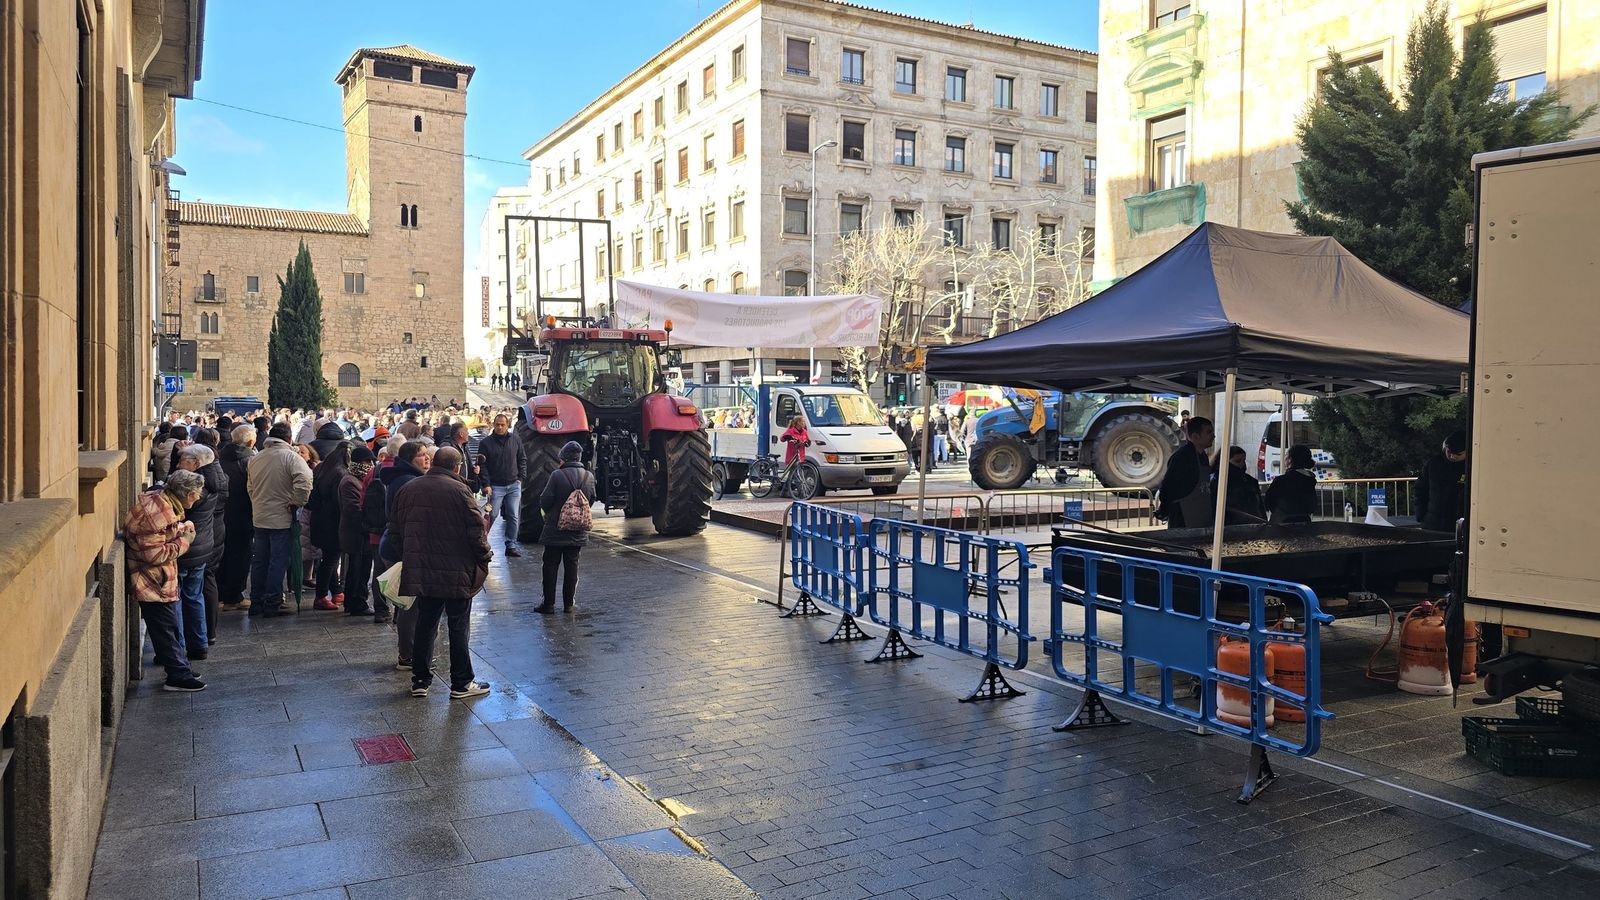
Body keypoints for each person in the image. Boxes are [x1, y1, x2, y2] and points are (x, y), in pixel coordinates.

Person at [388, 446, 492, 699]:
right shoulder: (460, 490)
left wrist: (407, 556)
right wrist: (485, 556)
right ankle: (461, 682)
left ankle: (420, 680)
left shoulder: (409, 489)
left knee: (426, 622)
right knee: (458, 625)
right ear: (457, 467)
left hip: (423, 569)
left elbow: (395, 529)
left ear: (434, 462)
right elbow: (476, 531)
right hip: (457, 570)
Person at [124, 469, 207, 691]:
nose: (198, 497)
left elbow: (161, 534)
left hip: (157, 578)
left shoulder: (164, 504)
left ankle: (177, 665)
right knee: (166, 627)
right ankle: (177, 675)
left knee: (166, 626)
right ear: (187, 493)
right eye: (196, 493)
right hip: (152, 580)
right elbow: (154, 554)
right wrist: (185, 542)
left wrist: (180, 529)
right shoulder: (156, 512)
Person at [247, 422, 314, 618]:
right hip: (282, 517)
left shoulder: (256, 457)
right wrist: (296, 502)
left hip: (260, 515)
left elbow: (250, 487)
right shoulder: (291, 457)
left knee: (259, 560)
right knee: (278, 560)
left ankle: (256, 600)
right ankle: (272, 600)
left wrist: (257, 502)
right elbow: (305, 481)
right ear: (289, 438)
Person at [379, 441, 432, 666]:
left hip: (395, 544)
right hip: (402, 547)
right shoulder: (409, 481)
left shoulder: (402, 477)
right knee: (410, 604)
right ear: (410, 459)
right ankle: (407, 654)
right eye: (421, 455)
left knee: (406, 603)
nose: (427, 458)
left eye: (427, 454)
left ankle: (408, 651)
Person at [172, 445, 223, 659]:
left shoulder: (194, 488)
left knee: (178, 599)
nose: (177, 464)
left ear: (195, 464)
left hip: (188, 547)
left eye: (182, 460)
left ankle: (179, 648)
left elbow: (177, 507)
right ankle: (200, 643)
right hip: (203, 545)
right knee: (194, 595)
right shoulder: (213, 480)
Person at [536, 441, 596, 613]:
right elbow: (591, 500)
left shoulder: (557, 475)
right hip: (577, 530)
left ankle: (548, 604)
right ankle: (569, 605)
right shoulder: (588, 476)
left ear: (563, 457)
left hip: (555, 528)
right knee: (572, 566)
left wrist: (551, 513)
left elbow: (545, 500)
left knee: (550, 565)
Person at [218, 424, 256, 611]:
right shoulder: (250, 460)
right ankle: (234, 596)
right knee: (241, 556)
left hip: (221, 514)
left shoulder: (219, 456)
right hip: (243, 514)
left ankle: (221, 595)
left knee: (222, 555)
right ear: (250, 441)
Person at [307, 440, 349, 610]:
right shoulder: (340, 473)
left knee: (329, 558)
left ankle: (336, 591)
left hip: (319, 520)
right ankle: (321, 596)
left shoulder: (322, 468)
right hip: (333, 523)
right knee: (330, 560)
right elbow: (339, 502)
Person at [337, 445, 378, 616]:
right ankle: (356, 603)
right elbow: (354, 509)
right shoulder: (350, 481)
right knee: (357, 569)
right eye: (367, 461)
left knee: (361, 568)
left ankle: (354, 601)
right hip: (356, 534)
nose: (370, 464)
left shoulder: (357, 479)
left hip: (360, 533)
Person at [479, 414, 527, 557]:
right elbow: (483, 466)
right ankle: (481, 542)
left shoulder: (515, 440)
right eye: (497, 424)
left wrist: (520, 478)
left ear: (508, 425)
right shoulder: (486, 443)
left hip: (513, 484)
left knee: (513, 515)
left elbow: (522, 459)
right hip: (495, 486)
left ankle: (511, 545)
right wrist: (486, 484)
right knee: (492, 515)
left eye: (503, 425)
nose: (500, 427)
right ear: (493, 425)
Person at [1157, 416, 1216, 528]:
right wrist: (1165, 509)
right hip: (1182, 516)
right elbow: (1167, 487)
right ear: (1195, 436)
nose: (1213, 435)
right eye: (1209, 432)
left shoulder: (1203, 456)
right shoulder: (1182, 457)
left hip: (1201, 514)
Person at [1417, 429, 1468, 532]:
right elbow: (1420, 489)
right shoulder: (1433, 464)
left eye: (1458, 454)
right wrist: (1420, 514)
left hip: (1460, 525)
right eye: (1449, 452)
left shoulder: (1472, 468)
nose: (1452, 456)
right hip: (1432, 522)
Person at [1264, 445, 1318, 524]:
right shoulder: (1310, 481)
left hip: (1282, 524)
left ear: (1290, 459)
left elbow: (1268, 502)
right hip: (1305, 522)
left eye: (1286, 454)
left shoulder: (1281, 480)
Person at [1220, 445, 1265, 523]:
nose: (1242, 464)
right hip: (1230, 525)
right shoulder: (1220, 481)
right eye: (1237, 461)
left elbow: (1260, 505)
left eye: (1243, 461)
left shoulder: (1251, 481)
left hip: (1254, 524)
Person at [779, 415, 810, 488]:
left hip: (800, 457)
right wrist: (787, 437)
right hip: (792, 457)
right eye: (803, 421)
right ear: (798, 422)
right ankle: (801, 493)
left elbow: (807, 442)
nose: (804, 423)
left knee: (793, 475)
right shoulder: (791, 431)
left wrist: (807, 442)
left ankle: (785, 491)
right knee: (797, 475)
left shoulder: (804, 432)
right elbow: (782, 438)